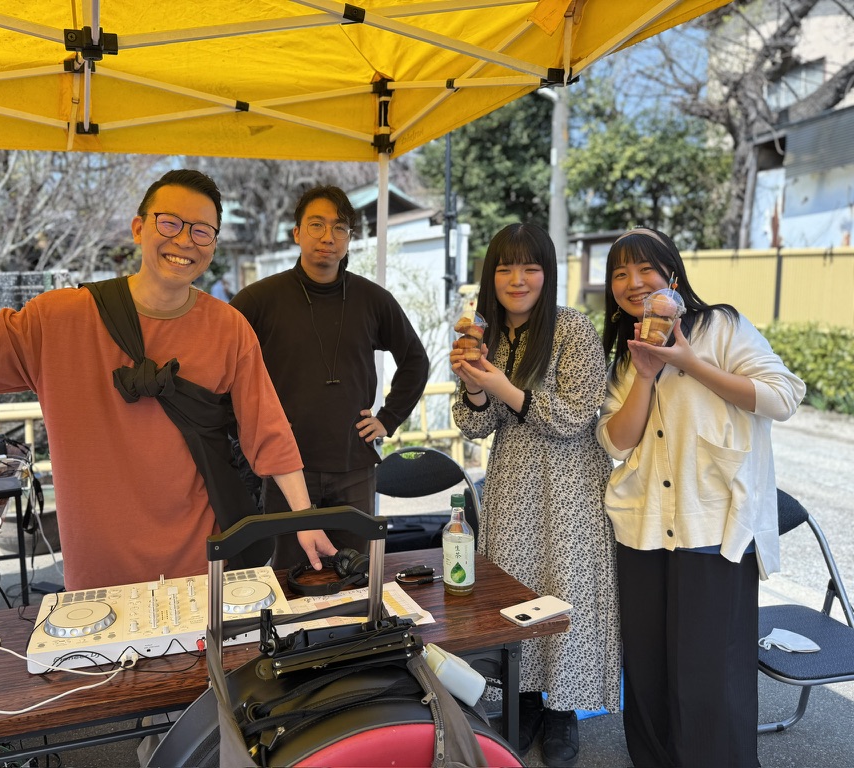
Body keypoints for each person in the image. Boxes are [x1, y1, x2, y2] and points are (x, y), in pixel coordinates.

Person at [0, 169, 335, 590]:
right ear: (138, 228)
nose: (185, 240)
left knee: (200, 699)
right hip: (98, 569)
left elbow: (267, 428)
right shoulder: (62, 318)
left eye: (202, 231)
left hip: (198, 558)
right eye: (170, 222)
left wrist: (305, 517)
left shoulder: (228, 328)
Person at [596, 228, 805, 768]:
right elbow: (617, 443)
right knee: (647, 673)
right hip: (641, 527)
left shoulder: (722, 327)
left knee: (709, 677)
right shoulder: (625, 353)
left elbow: (782, 398)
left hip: (714, 529)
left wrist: (687, 362)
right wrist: (645, 376)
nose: (633, 283)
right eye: (620, 274)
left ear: (673, 274)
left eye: (646, 270)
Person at [450, 222, 620, 768]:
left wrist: (498, 385)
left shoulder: (572, 328)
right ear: (490, 275)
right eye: (505, 267)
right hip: (512, 484)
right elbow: (474, 426)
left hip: (569, 486)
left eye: (530, 267)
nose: (517, 279)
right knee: (516, 593)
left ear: (547, 272)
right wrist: (475, 384)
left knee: (564, 591)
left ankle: (562, 712)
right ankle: (521, 702)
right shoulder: (486, 333)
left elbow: (572, 416)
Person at [231, 185, 429, 567]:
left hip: (353, 464)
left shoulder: (373, 299)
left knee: (356, 573)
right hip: (287, 467)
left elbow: (415, 360)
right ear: (296, 233)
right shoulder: (259, 299)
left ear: (350, 238)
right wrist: (249, 428)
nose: (328, 237)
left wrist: (388, 418)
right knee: (289, 575)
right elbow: (224, 367)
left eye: (340, 228)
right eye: (317, 225)